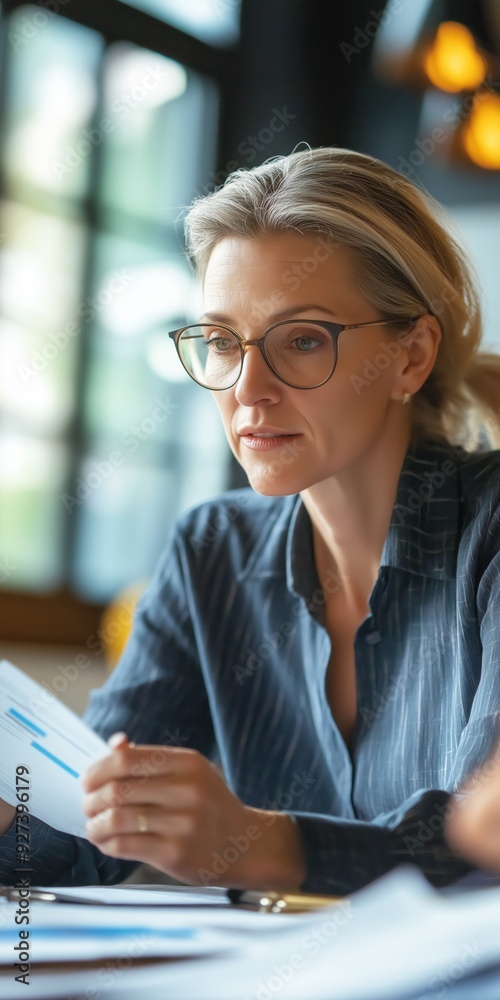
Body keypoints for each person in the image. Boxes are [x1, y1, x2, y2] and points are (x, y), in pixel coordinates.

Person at [2, 146, 500, 894]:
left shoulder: (488, 531)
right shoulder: (211, 550)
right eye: (224, 343)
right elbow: (85, 839)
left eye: (302, 339)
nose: (248, 389)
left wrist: (262, 846)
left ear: (410, 356)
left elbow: (483, 845)